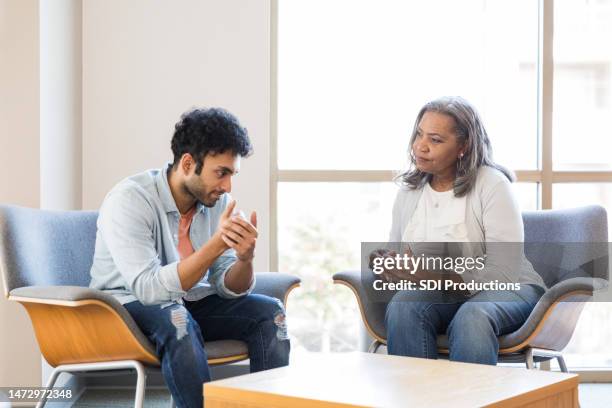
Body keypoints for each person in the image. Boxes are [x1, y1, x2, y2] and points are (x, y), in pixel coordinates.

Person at [89, 107, 290, 408]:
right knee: (178, 317)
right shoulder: (130, 199)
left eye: (232, 174)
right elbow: (149, 289)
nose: (227, 187)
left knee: (271, 314)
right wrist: (217, 244)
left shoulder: (215, 202)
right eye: (221, 173)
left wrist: (245, 259)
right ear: (187, 163)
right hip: (126, 307)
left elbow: (225, 285)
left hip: (188, 302)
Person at [381, 96, 546, 365]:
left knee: (473, 316)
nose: (421, 147)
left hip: (511, 287)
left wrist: (430, 275)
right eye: (419, 135)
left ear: (463, 146)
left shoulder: (492, 184)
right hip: (448, 292)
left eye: (435, 140)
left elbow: (502, 272)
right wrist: (390, 265)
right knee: (403, 306)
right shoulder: (410, 191)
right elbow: (398, 254)